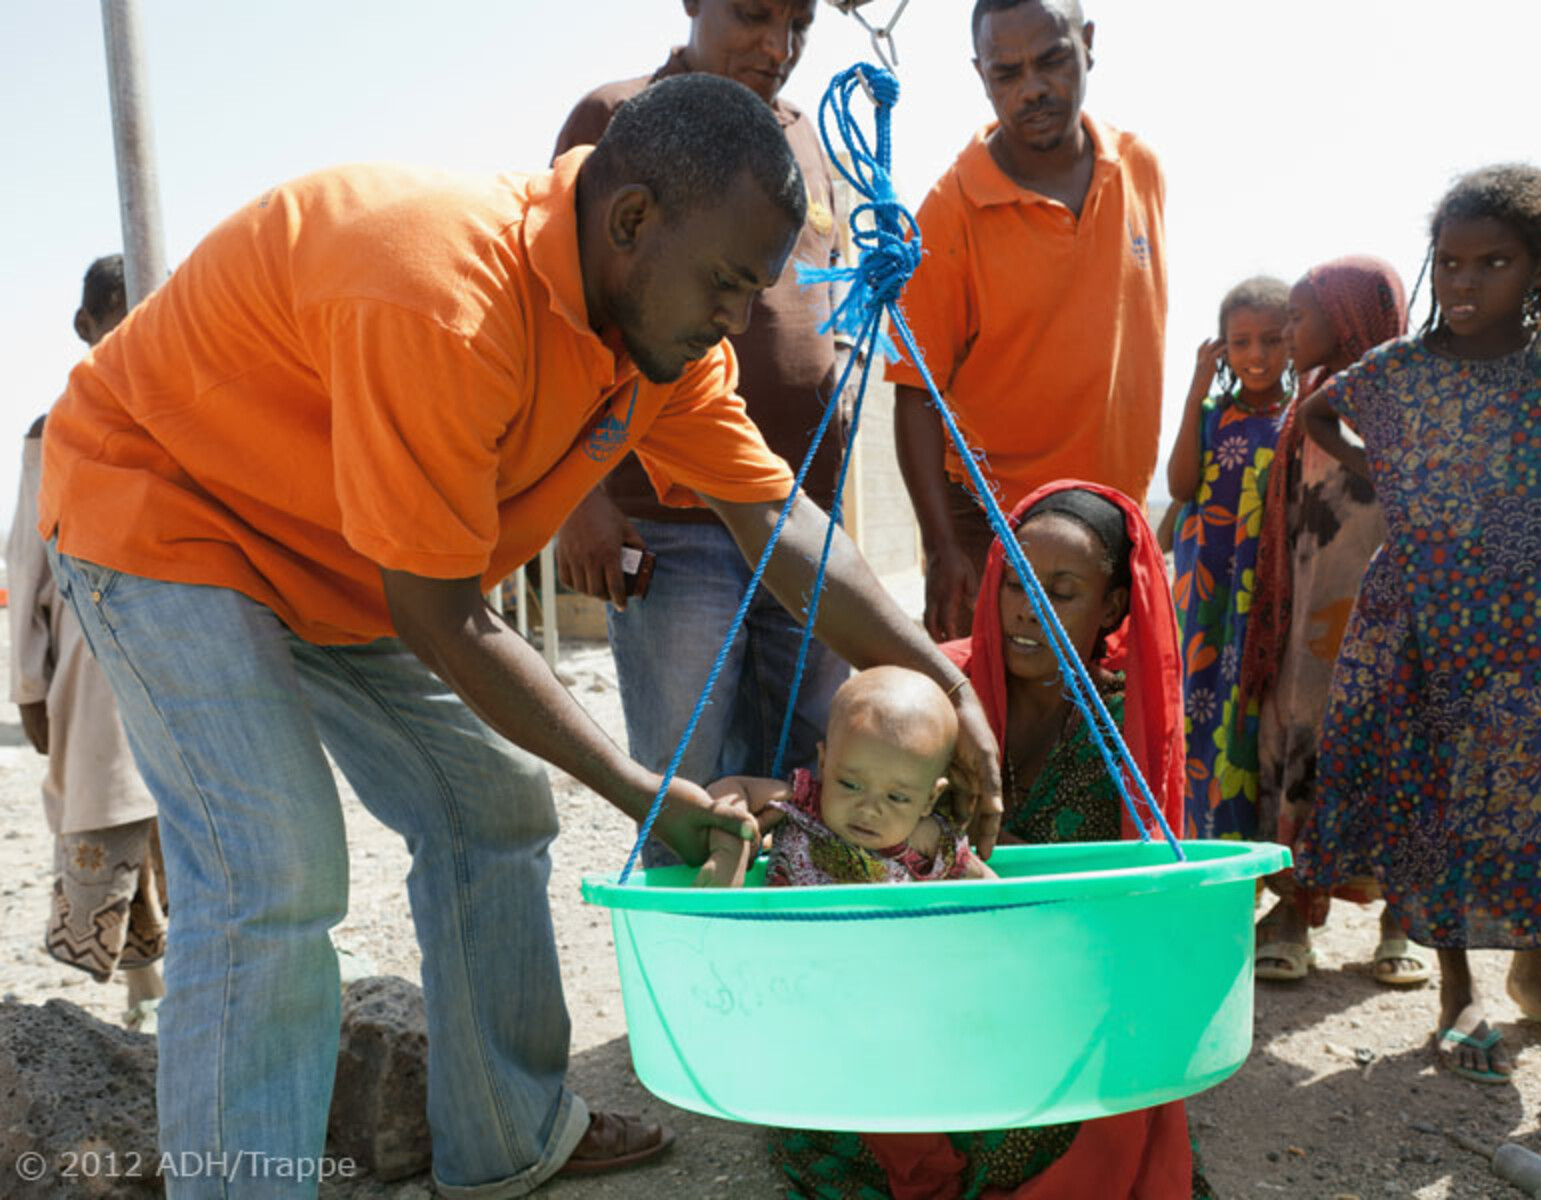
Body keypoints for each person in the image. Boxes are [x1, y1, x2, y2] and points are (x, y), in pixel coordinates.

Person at [38, 75, 1001, 1199]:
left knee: (496, 805)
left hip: (349, 556)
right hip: (166, 514)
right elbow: (441, 616)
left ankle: (504, 1136)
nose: (737, 319)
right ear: (633, 218)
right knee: (275, 869)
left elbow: (780, 525)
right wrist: (644, 789)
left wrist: (946, 683)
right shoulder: (441, 295)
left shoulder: (662, 346)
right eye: (728, 283)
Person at [771, 482, 1207, 1199]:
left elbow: (1138, 913)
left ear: (1112, 607)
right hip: (912, 980)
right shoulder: (933, 694)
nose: (1027, 609)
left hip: (1055, 991)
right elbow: (841, 795)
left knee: (1058, 1128)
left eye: (1062, 591)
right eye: (1014, 583)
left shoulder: (1129, 730)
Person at [1298, 164, 1541, 1085]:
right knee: (1436, 804)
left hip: (1540, 631)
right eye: (1451, 263)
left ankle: (1535, 981)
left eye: (1493, 263)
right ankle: (1457, 989)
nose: (1465, 283)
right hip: (1427, 625)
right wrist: (1400, 477)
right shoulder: (1402, 373)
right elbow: (1317, 412)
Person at [551, 0, 852, 866]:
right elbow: (568, 313)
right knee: (689, 792)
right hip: (673, 528)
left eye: (798, 25)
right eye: (754, 15)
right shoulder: (621, 118)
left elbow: (825, 324)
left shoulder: (816, 147)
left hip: (796, 519)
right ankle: (697, 977)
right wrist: (585, 499)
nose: (777, 46)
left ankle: (805, 979)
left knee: (822, 789)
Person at [888, 0, 1168, 643]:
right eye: (1006, 73)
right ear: (980, 74)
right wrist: (940, 549)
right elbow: (915, 391)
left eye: (1052, 61)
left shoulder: (1139, 169)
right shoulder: (949, 210)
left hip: (1114, 524)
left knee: (1108, 725)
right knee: (1001, 729)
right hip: (998, 527)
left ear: (1088, 44)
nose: (1033, 89)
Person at [1237, 257, 1421, 985]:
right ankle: (1292, 908)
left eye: (1301, 318)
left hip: (1385, 627)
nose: (1288, 331)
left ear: (1347, 321)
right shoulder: (1308, 402)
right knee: (1296, 754)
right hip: (1307, 631)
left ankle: (1397, 919)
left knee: (1393, 758)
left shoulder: (1402, 406)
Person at [6, 254, 165, 1032]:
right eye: (121, 314)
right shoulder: (54, 428)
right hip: (90, 662)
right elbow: (26, 567)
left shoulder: (182, 409)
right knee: (113, 816)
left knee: (185, 822)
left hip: (184, 652)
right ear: (86, 327)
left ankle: (185, 987)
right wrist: (29, 689)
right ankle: (144, 994)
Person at [1166, 276, 1291, 840]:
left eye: (1272, 339)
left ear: (1295, 340)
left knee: (1252, 718)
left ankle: (1257, 847)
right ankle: (1204, 837)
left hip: (1264, 594)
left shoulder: (1300, 417)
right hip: (1207, 593)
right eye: (1240, 342)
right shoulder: (1214, 415)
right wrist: (1196, 391)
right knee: (1200, 709)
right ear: (1221, 348)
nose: (1256, 355)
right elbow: (1181, 483)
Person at [699, 665, 994, 887]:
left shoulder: (927, 839)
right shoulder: (804, 802)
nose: (868, 809)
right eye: (850, 784)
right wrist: (728, 849)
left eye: (896, 797)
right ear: (825, 763)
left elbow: (997, 891)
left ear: (930, 798)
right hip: (789, 951)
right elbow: (731, 788)